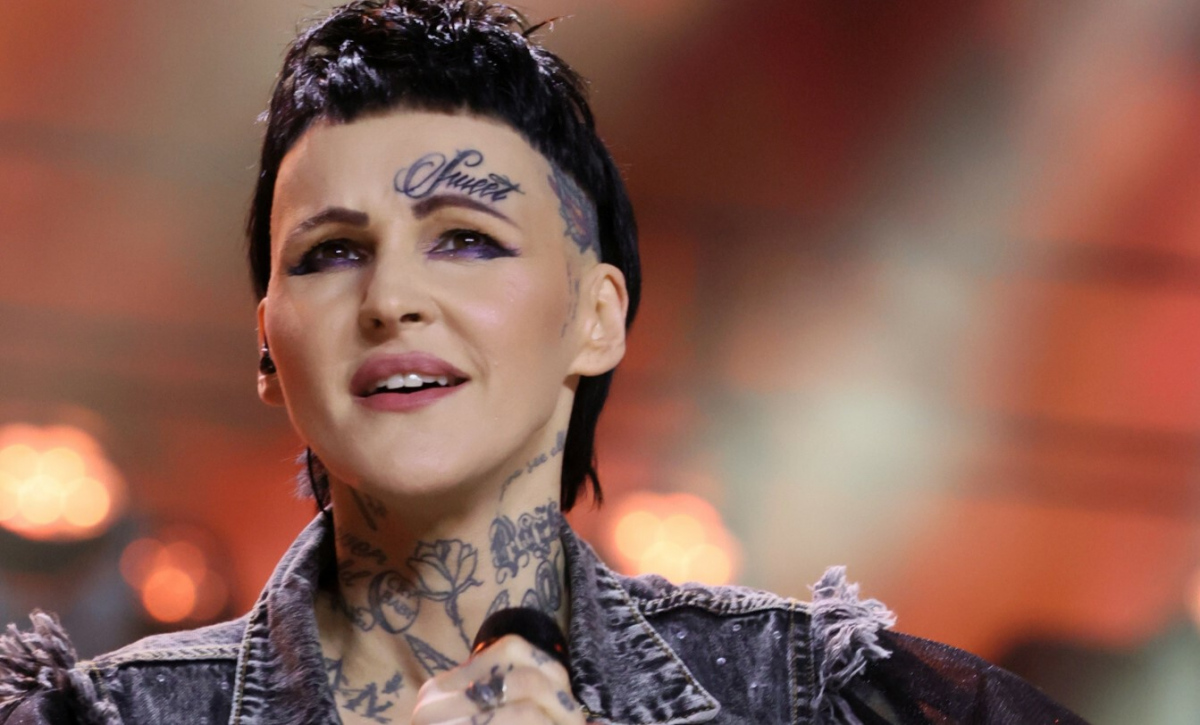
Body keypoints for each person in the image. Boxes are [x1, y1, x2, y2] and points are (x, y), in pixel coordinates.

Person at [0, 1, 1090, 723]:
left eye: (466, 238)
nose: (391, 298)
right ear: (268, 349)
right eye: (331, 252)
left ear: (597, 316)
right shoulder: (106, 717)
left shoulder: (810, 699)